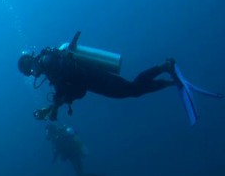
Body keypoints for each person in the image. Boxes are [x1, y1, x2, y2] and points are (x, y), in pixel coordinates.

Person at [18, 31, 222, 123]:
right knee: (132, 91)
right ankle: (168, 78)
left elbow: (71, 81)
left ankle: (165, 68)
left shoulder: (47, 63)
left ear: (30, 66)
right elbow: (69, 86)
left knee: (132, 89)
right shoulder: (49, 62)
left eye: (30, 73)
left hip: (94, 78)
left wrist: (55, 105)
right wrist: (54, 106)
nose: (34, 75)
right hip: (93, 80)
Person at [45, 123, 118, 176]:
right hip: (74, 158)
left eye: (47, 131)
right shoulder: (57, 138)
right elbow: (58, 152)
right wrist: (55, 158)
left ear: (51, 131)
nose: (46, 133)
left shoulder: (58, 138)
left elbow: (62, 151)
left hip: (75, 157)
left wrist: (58, 158)